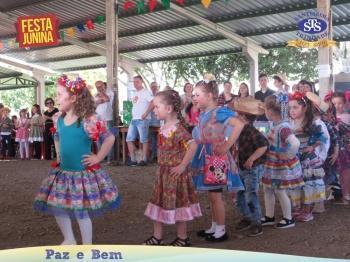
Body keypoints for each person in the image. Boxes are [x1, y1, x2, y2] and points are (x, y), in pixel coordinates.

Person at [34, 75, 120, 245]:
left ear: (73, 98)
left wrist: (98, 157)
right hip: (63, 172)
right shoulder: (59, 119)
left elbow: (109, 138)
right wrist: (58, 154)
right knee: (58, 207)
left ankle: (87, 245)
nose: (56, 98)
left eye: (59, 95)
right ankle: (69, 238)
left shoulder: (89, 119)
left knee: (81, 211)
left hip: (81, 174)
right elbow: (57, 137)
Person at [189, 74, 244, 242]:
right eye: (194, 95)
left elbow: (239, 124)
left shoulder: (219, 112)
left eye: (197, 95)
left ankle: (221, 230)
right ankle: (214, 226)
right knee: (212, 194)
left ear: (210, 96)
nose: (194, 98)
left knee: (215, 195)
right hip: (206, 156)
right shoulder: (205, 113)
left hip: (216, 159)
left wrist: (227, 146)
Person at [143, 90, 201, 246]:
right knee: (158, 202)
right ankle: (157, 236)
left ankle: (182, 238)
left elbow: (193, 145)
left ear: (168, 109)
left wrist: (182, 165)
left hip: (176, 176)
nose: (154, 110)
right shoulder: (164, 126)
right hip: (163, 174)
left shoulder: (178, 129)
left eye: (156, 107)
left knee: (180, 205)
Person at [261, 93, 304, 228]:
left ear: (269, 111)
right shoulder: (278, 124)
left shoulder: (283, 127)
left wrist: (288, 155)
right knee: (268, 189)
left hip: (280, 165)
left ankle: (288, 218)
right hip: (273, 164)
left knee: (280, 190)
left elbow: (295, 143)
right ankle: (269, 216)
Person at [289, 92, 329, 222]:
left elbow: (323, 137)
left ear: (304, 108)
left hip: (309, 160)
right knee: (297, 184)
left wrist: (312, 147)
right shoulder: (290, 122)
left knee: (309, 184)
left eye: (295, 107)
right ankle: (298, 208)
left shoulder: (312, 122)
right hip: (296, 159)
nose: (292, 110)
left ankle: (308, 211)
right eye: (290, 107)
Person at [233, 98, 268, 237]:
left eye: (238, 114)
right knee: (241, 195)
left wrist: (252, 158)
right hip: (242, 167)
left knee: (250, 194)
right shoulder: (241, 129)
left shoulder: (251, 130)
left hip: (251, 169)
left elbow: (264, 145)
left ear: (243, 116)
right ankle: (248, 217)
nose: (236, 116)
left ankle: (256, 222)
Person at [126, 75, 154, 166]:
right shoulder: (135, 93)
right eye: (134, 82)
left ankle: (144, 160)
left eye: (137, 81)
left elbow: (153, 102)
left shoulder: (146, 92)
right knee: (129, 139)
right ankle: (133, 159)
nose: (135, 83)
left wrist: (146, 113)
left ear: (142, 82)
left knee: (144, 140)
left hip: (143, 119)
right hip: (134, 119)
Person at [332, 92, 350, 204]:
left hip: (345, 148)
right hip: (332, 148)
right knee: (332, 173)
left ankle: (346, 195)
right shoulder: (328, 117)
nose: (337, 106)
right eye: (334, 103)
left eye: (339, 103)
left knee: (345, 172)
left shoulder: (348, 117)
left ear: (345, 104)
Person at [95, 81, 114, 164]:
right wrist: (98, 101)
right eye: (97, 87)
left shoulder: (110, 92)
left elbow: (107, 99)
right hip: (97, 119)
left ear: (104, 85)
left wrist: (102, 95)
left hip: (107, 119)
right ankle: (101, 157)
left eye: (100, 86)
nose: (99, 88)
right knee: (98, 139)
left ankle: (110, 159)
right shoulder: (95, 95)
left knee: (108, 138)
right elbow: (93, 105)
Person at [149, 82, 161, 162]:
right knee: (152, 139)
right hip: (151, 121)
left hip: (160, 121)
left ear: (158, 87)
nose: (154, 88)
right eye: (153, 87)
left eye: (155, 87)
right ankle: (154, 155)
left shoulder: (161, 97)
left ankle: (159, 156)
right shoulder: (149, 97)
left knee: (160, 139)